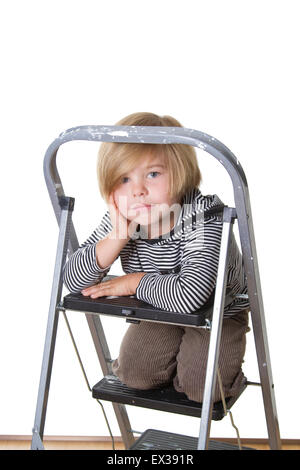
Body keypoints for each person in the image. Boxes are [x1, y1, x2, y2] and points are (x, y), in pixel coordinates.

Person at [63, 112, 250, 403]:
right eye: (124, 179)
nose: (138, 190)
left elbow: (191, 296)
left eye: (153, 174)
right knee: (135, 375)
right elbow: (73, 281)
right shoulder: (125, 217)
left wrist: (133, 282)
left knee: (202, 390)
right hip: (159, 308)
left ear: (180, 172)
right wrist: (116, 238)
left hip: (217, 312)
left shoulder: (201, 217)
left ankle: (205, 368)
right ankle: (178, 353)